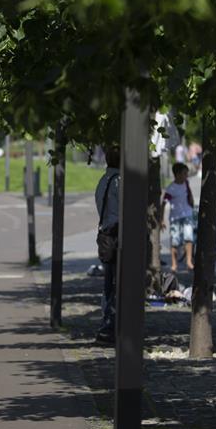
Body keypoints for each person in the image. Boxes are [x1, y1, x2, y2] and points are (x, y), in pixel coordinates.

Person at [94, 146, 120, 345]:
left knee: (108, 283)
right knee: (116, 283)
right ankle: (110, 326)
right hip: (117, 236)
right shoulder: (119, 182)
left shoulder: (103, 181)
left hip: (105, 236)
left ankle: (107, 322)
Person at [162, 162, 195, 273]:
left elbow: (189, 195)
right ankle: (174, 263)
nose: (186, 175)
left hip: (187, 214)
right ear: (177, 174)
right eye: (184, 173)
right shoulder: (171, 188)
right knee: (175, 241)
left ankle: (189, 262)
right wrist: (162, 219)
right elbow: (164, 203)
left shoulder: (186, 183)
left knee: (188, 237)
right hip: (175, 217)